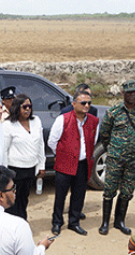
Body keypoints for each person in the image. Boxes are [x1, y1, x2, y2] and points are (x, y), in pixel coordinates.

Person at [97, 80, 135, 236]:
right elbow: (104, 134)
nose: (132, 95)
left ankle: (120, 221)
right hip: (115, 158)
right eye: (129, 93)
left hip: (133, 160)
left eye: (134, 92)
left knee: (127, 191)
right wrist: (112, 149)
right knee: (109, 190)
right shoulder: (114, 112)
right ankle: (105, 222)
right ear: (123, 93)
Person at [48, 90, 99, 235]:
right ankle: (57, 222)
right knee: (60, 195)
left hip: (83, 163)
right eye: (83, 103)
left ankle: (74, 222)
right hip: (65, 162)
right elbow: (52, 141)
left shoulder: (94, 121)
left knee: (79, 194)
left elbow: (93, 141)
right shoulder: (63, 119)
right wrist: (63, 154)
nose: (87, 105)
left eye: (89, 103)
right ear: (74, 103)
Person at [3, 94, 45, 221]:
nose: (28, 109)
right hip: (14, 170)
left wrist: (41, 166)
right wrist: (5, 173)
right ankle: (11, 227)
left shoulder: (36, 121)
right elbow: (4, 150)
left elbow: (41, 144)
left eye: (30, 106)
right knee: (11, 201)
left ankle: (22, 223)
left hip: (30, 169)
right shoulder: (8, 124)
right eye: (24, 106)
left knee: (24, 199)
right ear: (17, 107)